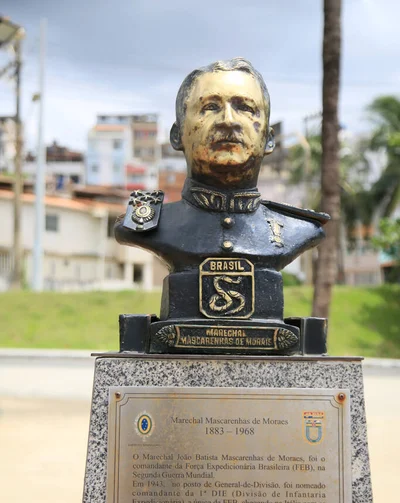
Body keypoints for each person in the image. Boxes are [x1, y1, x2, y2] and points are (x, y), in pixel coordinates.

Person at [115, 58, 329, 349]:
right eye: (210, 107)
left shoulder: (299, 229)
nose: (228, 120)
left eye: (245, 107)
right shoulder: (148, 224)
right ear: (177, 135)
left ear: (268, 138)